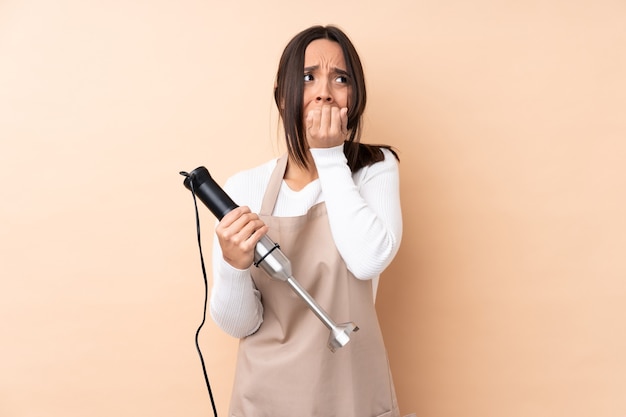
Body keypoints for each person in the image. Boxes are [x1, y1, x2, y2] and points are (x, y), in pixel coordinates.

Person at [210, 25, 403, 417]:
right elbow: (239, 325)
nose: (324, 90)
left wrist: (330, 157)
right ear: (283, 98)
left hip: (351, 391)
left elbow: (367, 260)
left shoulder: (375, 169)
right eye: (308, 76)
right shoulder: (244, 187)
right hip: (266, 397)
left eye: (341, 78)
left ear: (355, 98)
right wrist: (233, 268)